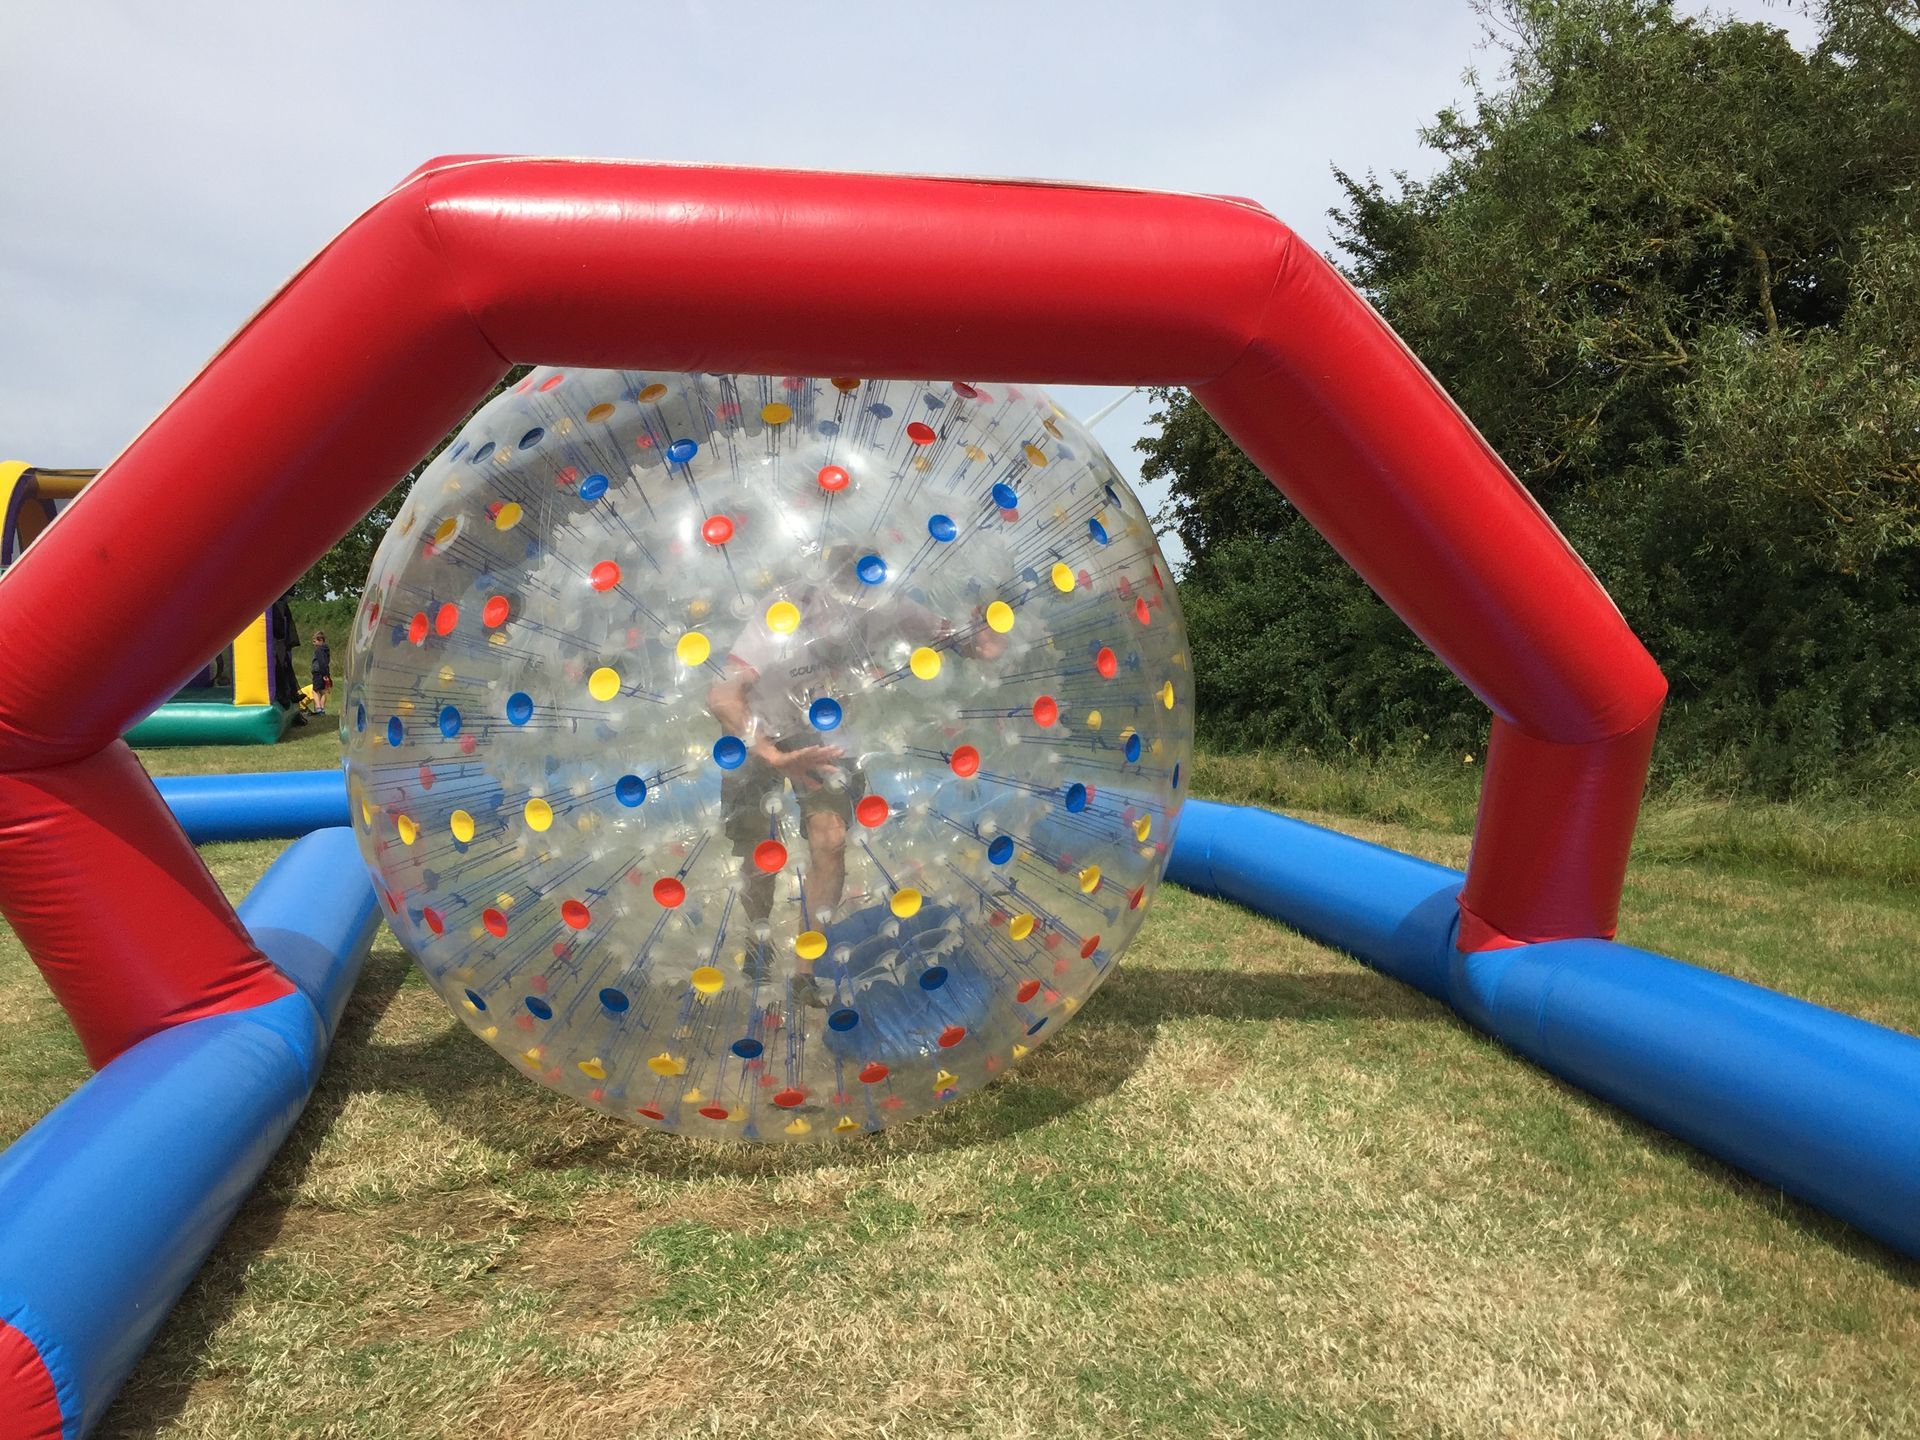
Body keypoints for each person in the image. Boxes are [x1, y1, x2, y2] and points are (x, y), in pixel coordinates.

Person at [706, 547, 1002, 992]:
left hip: (822, 726)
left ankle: (806, 970)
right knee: (756, 847)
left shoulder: (888, 603)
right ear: (825, 590)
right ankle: (758, 936)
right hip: (755, 724)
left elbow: (953, 637)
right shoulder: (785, 610)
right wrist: (772, 756)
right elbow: (723, 697)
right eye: (842, 606)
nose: (848, 620)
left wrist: (979, 638)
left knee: (831, 836)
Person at [309, 628, 332, 715]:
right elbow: (326, 662)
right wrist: (326, 673)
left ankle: (318, 708)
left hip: (318, 671)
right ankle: (322, 709)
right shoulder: (326, 650)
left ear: (320, 640)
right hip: (324, 671)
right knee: (323, 691)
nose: (313, 644)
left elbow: (321, 662)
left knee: (315, 690)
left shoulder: (319, 650)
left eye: (315, 641)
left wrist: (323, 673)